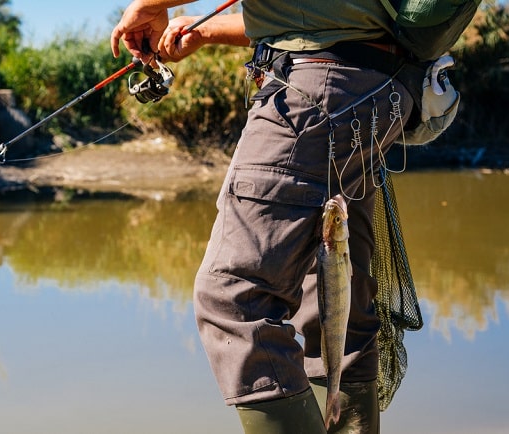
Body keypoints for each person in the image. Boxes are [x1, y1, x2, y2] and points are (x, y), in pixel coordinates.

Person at [112, 1, 422, 433]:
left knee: (234, 299)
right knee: (336, 305)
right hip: (372, 92)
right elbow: (319, 14)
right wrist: (205, 31)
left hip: (316, 94)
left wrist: (146, 7)